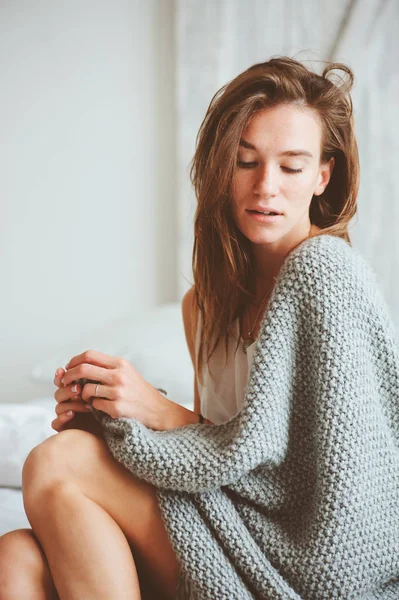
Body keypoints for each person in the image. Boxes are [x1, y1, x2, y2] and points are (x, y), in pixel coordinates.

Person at [0, 55, 398, 599]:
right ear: (220, 168)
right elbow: (214, 454)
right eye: (245, 160)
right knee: (15, 556)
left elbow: (332, 497)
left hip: (295, 560)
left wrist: (154, 411)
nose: (266, 187)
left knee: (58, 464)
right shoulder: (203, 306)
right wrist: (119, 421)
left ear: (322, 175)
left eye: (292, 165)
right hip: (226, 529)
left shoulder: (326, 271)